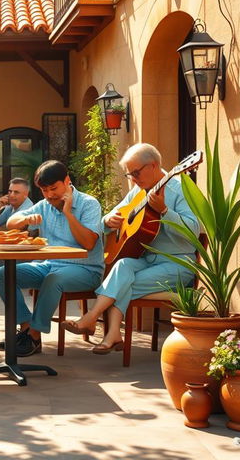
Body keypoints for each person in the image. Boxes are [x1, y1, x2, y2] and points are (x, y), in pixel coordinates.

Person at [62, 143, 199, 354]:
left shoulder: (180, 189)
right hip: (147, 260)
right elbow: (109, 219)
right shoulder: (138, 190)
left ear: (153, 165)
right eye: (129, 175)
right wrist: (109, 220)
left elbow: (194, 231)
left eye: (135, 173)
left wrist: (164, 211)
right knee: (123, 265)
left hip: (177, 263)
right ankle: (109, 331)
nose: (133, 180)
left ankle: (97, 323)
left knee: (122, 283)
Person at [0, 160, 104, 357]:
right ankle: (27, 328)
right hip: (49, 265)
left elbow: (88, 243)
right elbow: (11, 222)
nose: (50, 195)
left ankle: (34, 336)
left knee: (54, 279)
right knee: (3, 274)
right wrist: (26, 219)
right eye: (44, 190)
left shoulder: (89, 204)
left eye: (54, 188)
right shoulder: (44, 205)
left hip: (87, 270)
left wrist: (68, 213)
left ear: (67, 181)